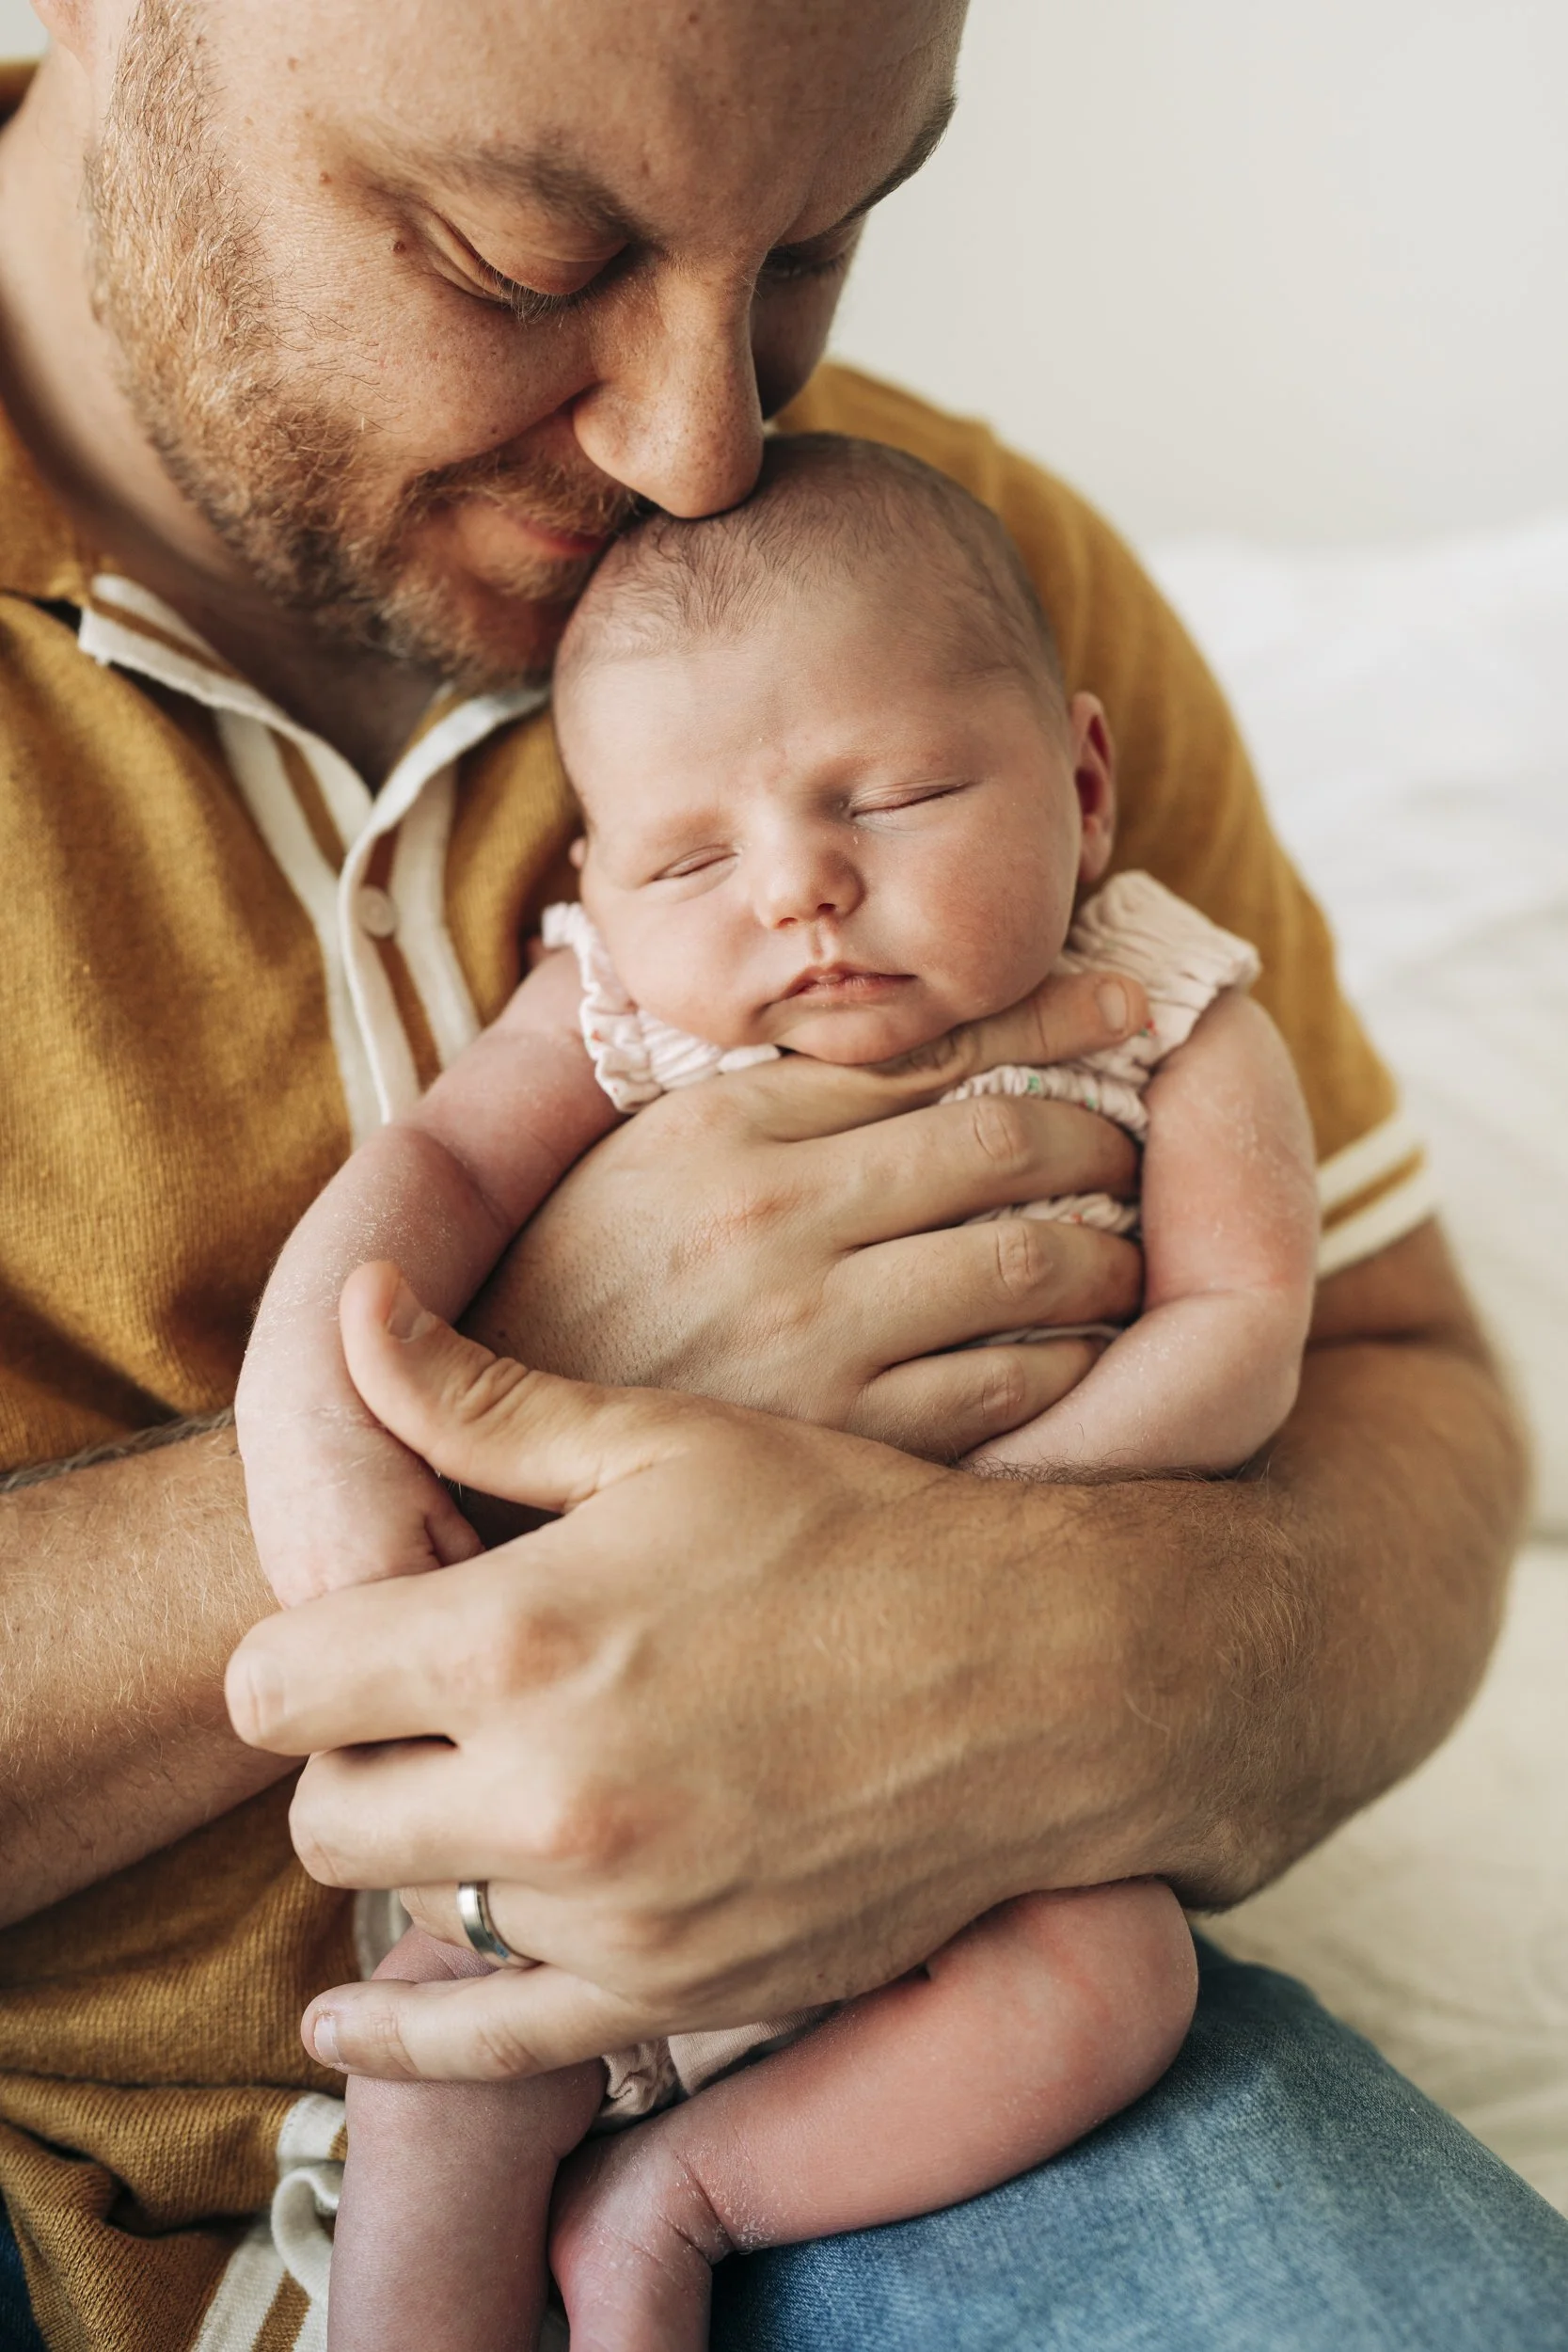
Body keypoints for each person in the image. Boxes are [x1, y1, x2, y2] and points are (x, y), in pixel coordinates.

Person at [0, 0, 1560, 2347]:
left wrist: (1017, 1637)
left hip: (857, 2035)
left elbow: (1402, 1391)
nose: (697, 443)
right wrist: (519, 1390)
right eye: (518, 257)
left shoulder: (946, 594)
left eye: (820, 248)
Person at [239, 435, 1320, 2350]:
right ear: (595, 880)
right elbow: (434, 1177)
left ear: (1079, 784)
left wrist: (970, 1525)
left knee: (1112, 1977)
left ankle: (682, 2200)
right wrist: (305, 1394)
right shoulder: (618, 1008)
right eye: (688, 855)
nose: (800, 888)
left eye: (891, 796)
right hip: (611, 1776)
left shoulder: (1162, 1000)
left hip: (978, 1791)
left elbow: (1242, 1324)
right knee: (436, 2063)